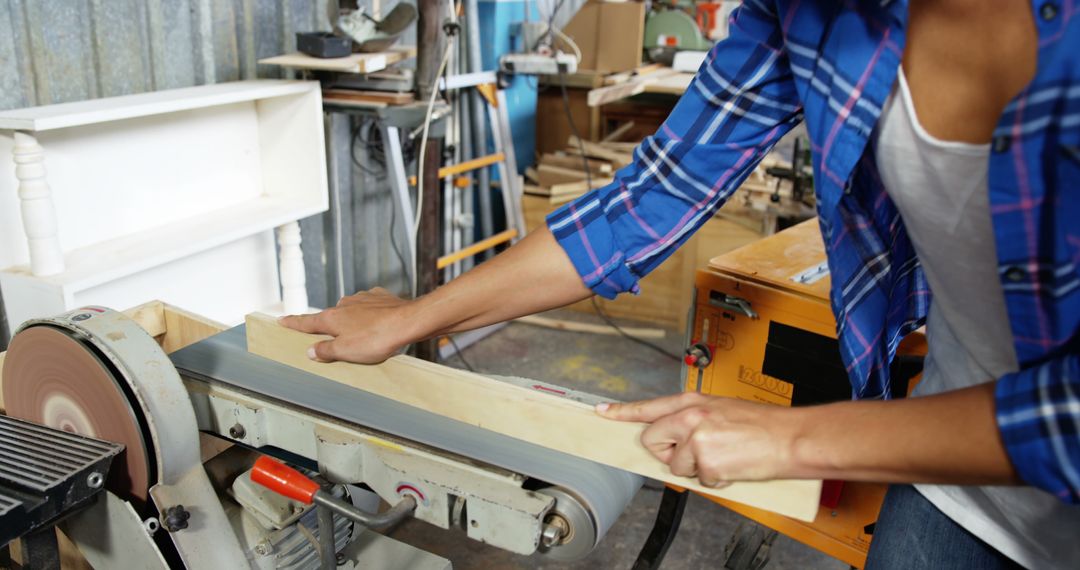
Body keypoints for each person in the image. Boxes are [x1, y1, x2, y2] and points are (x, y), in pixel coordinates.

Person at [281, 0, 1080, 567]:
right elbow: (647, 198)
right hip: (961, 488)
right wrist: (416, 316)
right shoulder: (811, 13)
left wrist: (792, 438)